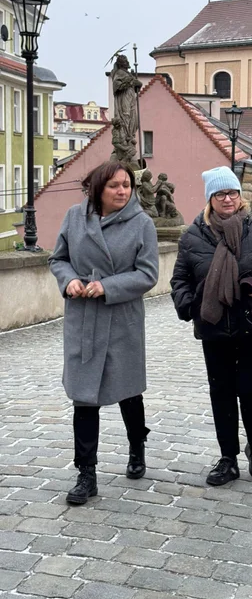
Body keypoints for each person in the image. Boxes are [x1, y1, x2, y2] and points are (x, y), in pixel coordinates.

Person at [170, 166, 252, 486]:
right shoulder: (193, 235)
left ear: (240, 197)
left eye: (233, 193)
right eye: (221, 194)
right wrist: (190, 306)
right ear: (211, 198)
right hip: (213, 325)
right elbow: (179, 279)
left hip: (251, 322)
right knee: (221, 391)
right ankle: (228, 458)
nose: (228, 199)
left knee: (251, 388)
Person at [49, 161, 159, 505]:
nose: (122, 191)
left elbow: (148, 274)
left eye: (126, 185)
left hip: (122, 319)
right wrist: (71, 282)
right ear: (98, 188)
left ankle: (136, 447)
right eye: (114, 185)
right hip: (84, 319)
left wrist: (107, 286)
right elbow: (58, 259)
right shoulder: (74, 217)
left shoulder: (142, 224)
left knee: (128, 392)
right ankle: (86, 474)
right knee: (84, 398)